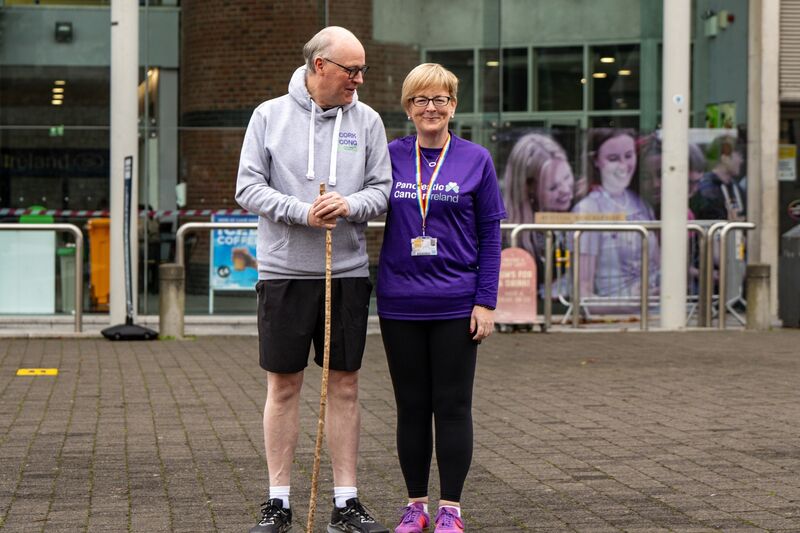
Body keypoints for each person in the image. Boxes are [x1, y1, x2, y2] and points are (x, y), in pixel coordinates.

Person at [235, 26, 392, 533]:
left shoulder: (366, 121)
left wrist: (349, 205)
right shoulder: (268, 116)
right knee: (283, 385)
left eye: (362, 70)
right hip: (284, 273)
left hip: (344, 271)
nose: (360, 80)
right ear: (321, 65)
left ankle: (346, 502)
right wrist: (301, 212)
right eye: (352, 70)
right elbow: (247, 188)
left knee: (344, 386)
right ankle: (278, 501)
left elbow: (383, 190)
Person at [376, 63, 506, 533]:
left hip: (456, 304)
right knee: (411, 407)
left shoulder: (476, 160)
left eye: (440, 100)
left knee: (452, 406)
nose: (431, 108)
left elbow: (491, 234)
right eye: (420, 100)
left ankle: (450, 508)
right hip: (399, 303)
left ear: (453, 106)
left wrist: (485, 302)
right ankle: (416, 506)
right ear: (408, 107)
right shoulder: (388, 156)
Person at [571, 128, 660, 304]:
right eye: (613, 159)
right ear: (596, 161)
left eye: (629, 156)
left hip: (652, 314)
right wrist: (627, 303)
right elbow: (583, 292)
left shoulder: (641, 203)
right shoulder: (588, 210)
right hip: (614, 318)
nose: (623, 165)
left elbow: (658, 267)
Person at [503, 132, 577, 298]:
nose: (566, 190)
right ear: (529, 188)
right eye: (553, 187)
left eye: (567, 177)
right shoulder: (510, 235)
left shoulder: (583, 208)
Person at [690, 134, 746, 221]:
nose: (741, 160)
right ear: (725, 158)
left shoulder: (736, 188)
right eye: (739, 155)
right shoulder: (707, 189)